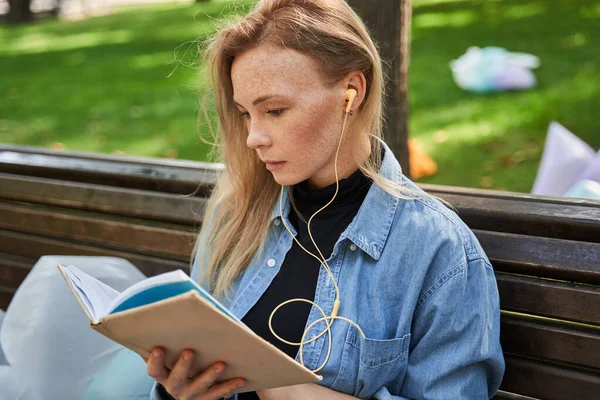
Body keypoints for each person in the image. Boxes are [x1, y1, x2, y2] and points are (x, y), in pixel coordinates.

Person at [146, 0, 505, 399]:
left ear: (351, 93)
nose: (253, 137)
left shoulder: (435, 248)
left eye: (275, 110)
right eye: (246, 114)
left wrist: (294, 393)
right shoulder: (236, 212)